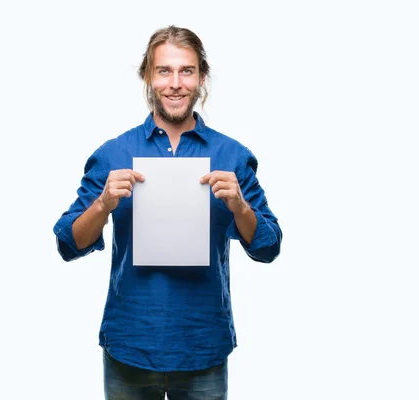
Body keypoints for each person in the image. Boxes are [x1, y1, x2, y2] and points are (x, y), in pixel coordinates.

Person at [53, 25, 282, 399]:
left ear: (201, 77)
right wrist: (103, 203)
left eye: (186, 71)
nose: (175, 83)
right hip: (130, 342)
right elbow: (67, 243)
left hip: (202, 344)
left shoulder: (233, 156)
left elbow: (269, 247)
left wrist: (240, 206)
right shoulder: (113, 153)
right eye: (164, 71)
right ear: (148, 76)